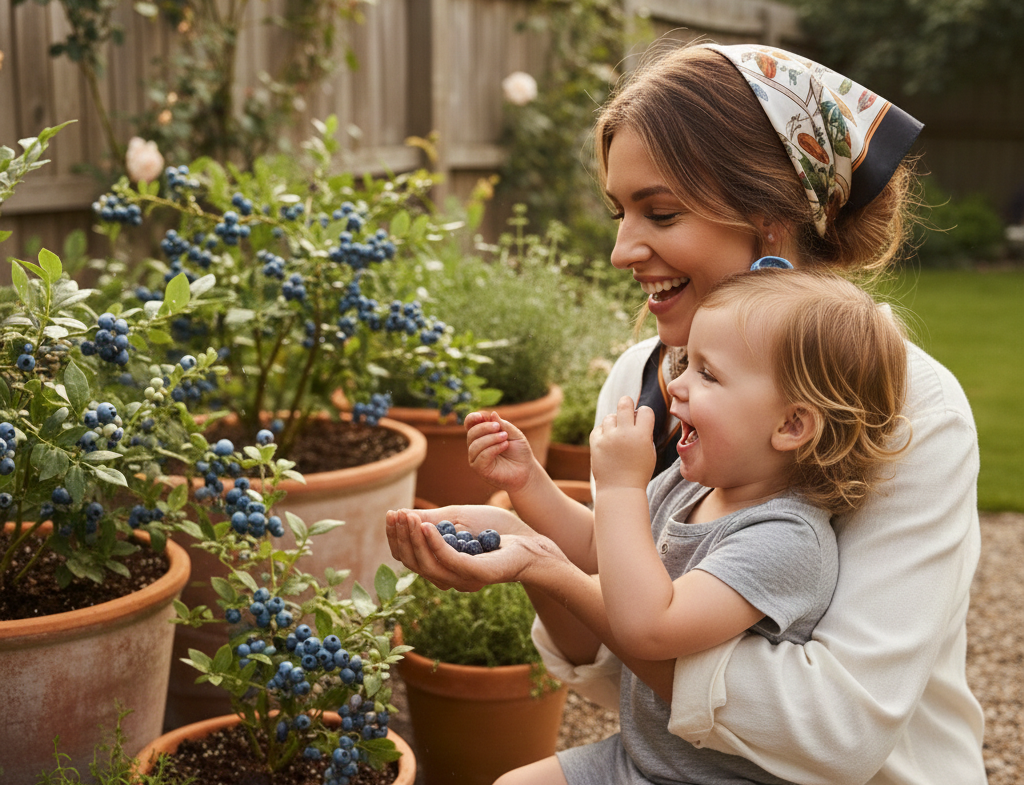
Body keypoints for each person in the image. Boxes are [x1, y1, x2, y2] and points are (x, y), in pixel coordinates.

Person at [386, 41, 986, 785]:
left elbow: (835, 732)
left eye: (659, 211)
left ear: (768, 221)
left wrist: (557, 566)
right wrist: (527, 538)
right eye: (619, 211)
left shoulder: (905, 412)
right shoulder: (644, 382)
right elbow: (619, 673)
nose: (620, 249)